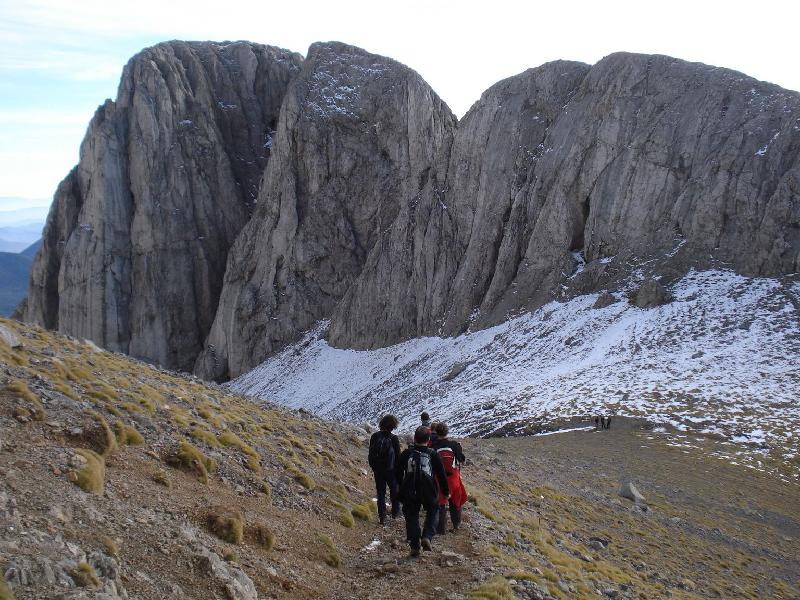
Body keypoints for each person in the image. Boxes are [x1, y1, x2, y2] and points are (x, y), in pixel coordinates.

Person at [397, 426, 450, 557]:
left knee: (411, 516)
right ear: (428, 440)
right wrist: (446, 491)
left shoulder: (406, 453)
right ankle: (427, 536)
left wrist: (401, 487)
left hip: (410, 488)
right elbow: (442, 475)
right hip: (429, 488)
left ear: (415, 438)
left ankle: (415, 546)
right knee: (433, 510)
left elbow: (397, 472)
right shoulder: (433, 454)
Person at [431, 422, 468, 533]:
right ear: (447, 432)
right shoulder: (454, 445)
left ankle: (441, 529)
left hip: (439, 479)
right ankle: (456, 525)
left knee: (441, 503)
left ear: (436, 432)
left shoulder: (433, 446)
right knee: (455, 502)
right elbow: (461, 459)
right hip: (453, 478)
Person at [368, 414, 402, 524]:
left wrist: (374, 467)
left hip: (378, 470)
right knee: (394, 490)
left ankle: (382, 516)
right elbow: (398, 457)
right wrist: (397, 471)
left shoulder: (374, 436)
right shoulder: (394, 439)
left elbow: (370, 454)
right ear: (393, 426)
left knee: (381, 492)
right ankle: (395, 512)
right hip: (390, 470)